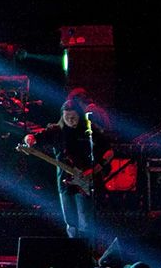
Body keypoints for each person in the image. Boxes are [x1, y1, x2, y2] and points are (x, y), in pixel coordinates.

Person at [22, 91, 113, 240]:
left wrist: (94, 170)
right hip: (64, 182)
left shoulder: (89, 131)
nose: (70, 120)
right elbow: (33, 137)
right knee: (70, 222)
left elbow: (109, 152)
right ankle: (73, 248)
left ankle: (87, 249)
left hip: (85, 180)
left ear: (79, 115)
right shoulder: (56, 131)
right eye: (67, 117)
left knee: (85, 221)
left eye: (73, 117)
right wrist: (29, 139)